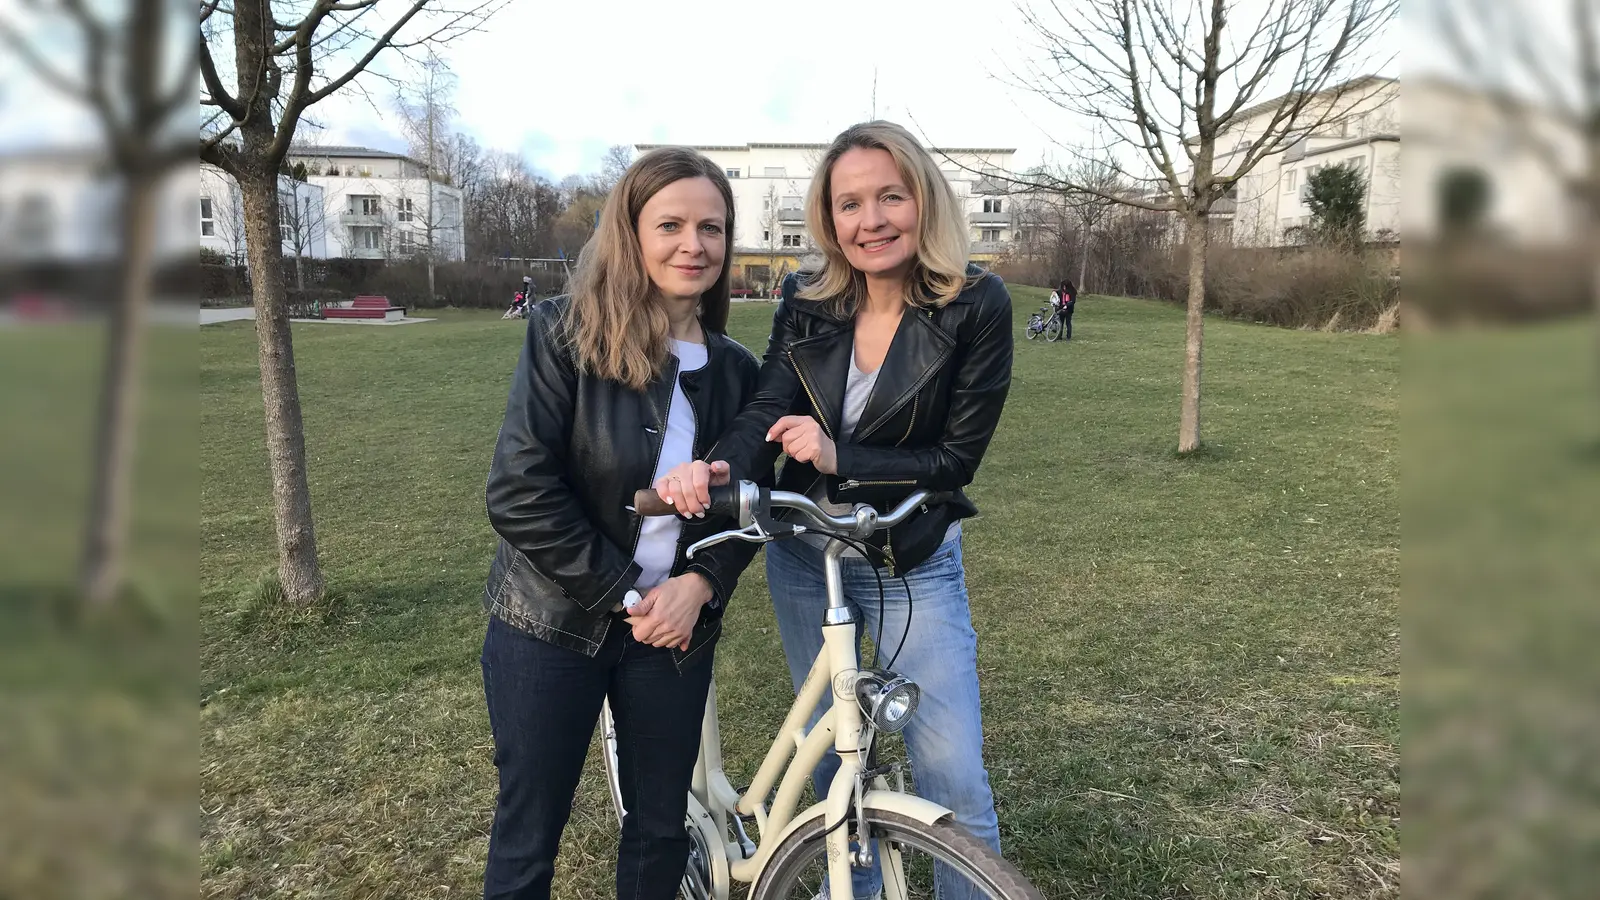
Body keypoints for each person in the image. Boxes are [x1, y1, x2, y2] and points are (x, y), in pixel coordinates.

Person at [655, 120, 1014, 900]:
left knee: (953, 770)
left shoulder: (975, 303)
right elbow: (768, 408)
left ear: (924, 200)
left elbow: (955, 462)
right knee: (830, 749)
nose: (871, 220)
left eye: (892, 196)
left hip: (905, 556)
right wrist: (720, 462)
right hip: (804, 556)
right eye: (850, 203)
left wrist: (841, 455)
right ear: (829, 216)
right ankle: (848, 885)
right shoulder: (808, 299)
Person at [479, 146, 763, 900]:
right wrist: (627, 593)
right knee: (529, 835)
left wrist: (701, 585)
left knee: (660, 831)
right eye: (670, 224)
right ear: (629, 233)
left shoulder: (738, 371)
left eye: (711, 227)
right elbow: (518, 492)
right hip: (551, 624)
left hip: (675, 632)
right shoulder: (563, 336)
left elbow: (747, 506)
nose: (693, 244)